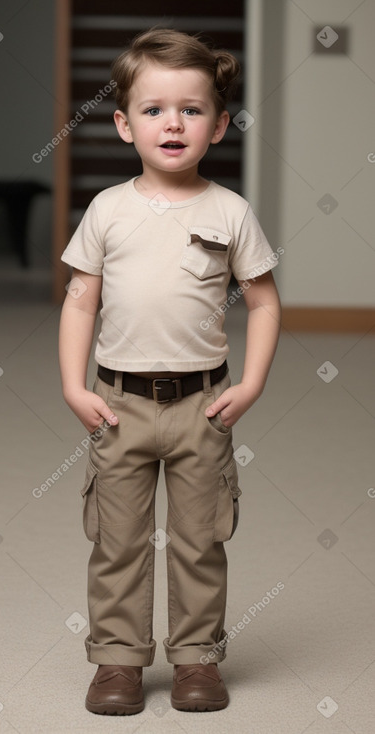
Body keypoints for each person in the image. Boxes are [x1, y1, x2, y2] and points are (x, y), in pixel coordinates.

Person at [59, 27, 281, 716]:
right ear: (125, 124)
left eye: (190, 109)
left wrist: (249, 384)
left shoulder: (230, 211)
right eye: (154, 109)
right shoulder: (107, 210)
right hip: (118, 403)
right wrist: (73, 386)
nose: (173, 123)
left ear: (217, 124)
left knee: (199, 541)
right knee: (116, 542)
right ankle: (117, 663)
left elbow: (266, 303)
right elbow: (79, 303)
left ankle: (196, 660)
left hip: (202, 404)